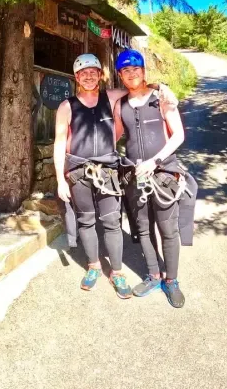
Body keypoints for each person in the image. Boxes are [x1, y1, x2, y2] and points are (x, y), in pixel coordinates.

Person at [53, 53, 176, 297]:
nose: (88, 76)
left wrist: (161, 87)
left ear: (100, 75)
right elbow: (59, 143)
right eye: (83, 73)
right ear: (76, 77)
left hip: (108, 170)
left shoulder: (109, 97)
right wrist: (60, 179)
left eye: (93, 72)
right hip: (78, 171)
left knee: (111, 221)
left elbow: (136, 86)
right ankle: (93, 266)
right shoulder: (66, 106)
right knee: (86, 221)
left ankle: (117, 272)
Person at [113, 48, 197, 308]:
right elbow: (114, 137)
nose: (131, 73)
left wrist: (155, 161)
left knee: (167, 229)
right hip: (135, 176)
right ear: (120, 75)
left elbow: (178, 135)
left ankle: (171, 281)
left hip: (163, 174)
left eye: (136, 68)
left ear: (143, 71)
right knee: (142, 228)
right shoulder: (121, 104)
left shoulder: (160, 97)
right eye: (126, 70)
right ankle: (153, 274)